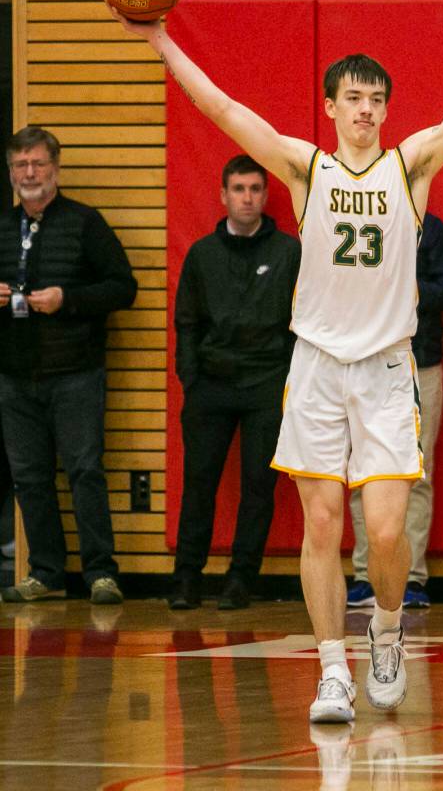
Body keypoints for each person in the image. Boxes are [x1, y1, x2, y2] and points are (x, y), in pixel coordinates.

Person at [111, 0, 443, 722]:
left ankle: (384, 629)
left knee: (383, 531)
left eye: (377, 100)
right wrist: (161, 41)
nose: (367, 110)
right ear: (331, 106)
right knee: (319, 523)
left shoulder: (412, 165)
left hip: (383, 371)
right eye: (354, 99)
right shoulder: (305, 167)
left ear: (386, 109)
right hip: (314, 367)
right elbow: (220, 107)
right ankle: (332, 669)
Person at [0, 126, 138, 605]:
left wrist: (69, 299)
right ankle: (46, 573)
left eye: (38, 164)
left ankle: (101, 573)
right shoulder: (2, 225)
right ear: (11, 172)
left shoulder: (85, 223)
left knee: (84, 471)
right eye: (21, 165)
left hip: (76, 372)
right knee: (30, 479)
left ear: (55, 169)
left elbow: (123, 287)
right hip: (16, 376)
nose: (30, 173)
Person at [169, 154, 301, 611]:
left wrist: (287, 378)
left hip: (267, 383)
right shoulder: (202, 254)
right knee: (199, 483)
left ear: (266, 196)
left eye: (255, 189)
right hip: (211, 384)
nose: (247, 198)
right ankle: (186, 578)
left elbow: (301, 320)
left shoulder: (289, 251)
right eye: (239, 189)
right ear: (223, 196)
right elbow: (186, 322)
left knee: (258, 486)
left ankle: (241, 579)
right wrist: (191, 378)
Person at [348, 210, 443, 610]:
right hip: (364, 363)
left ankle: (411, 577)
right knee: (362, 471)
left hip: (420, 362)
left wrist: (408, 290)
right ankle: (366, 576)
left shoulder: (432, 229)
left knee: (418, 472)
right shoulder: (360, 227)